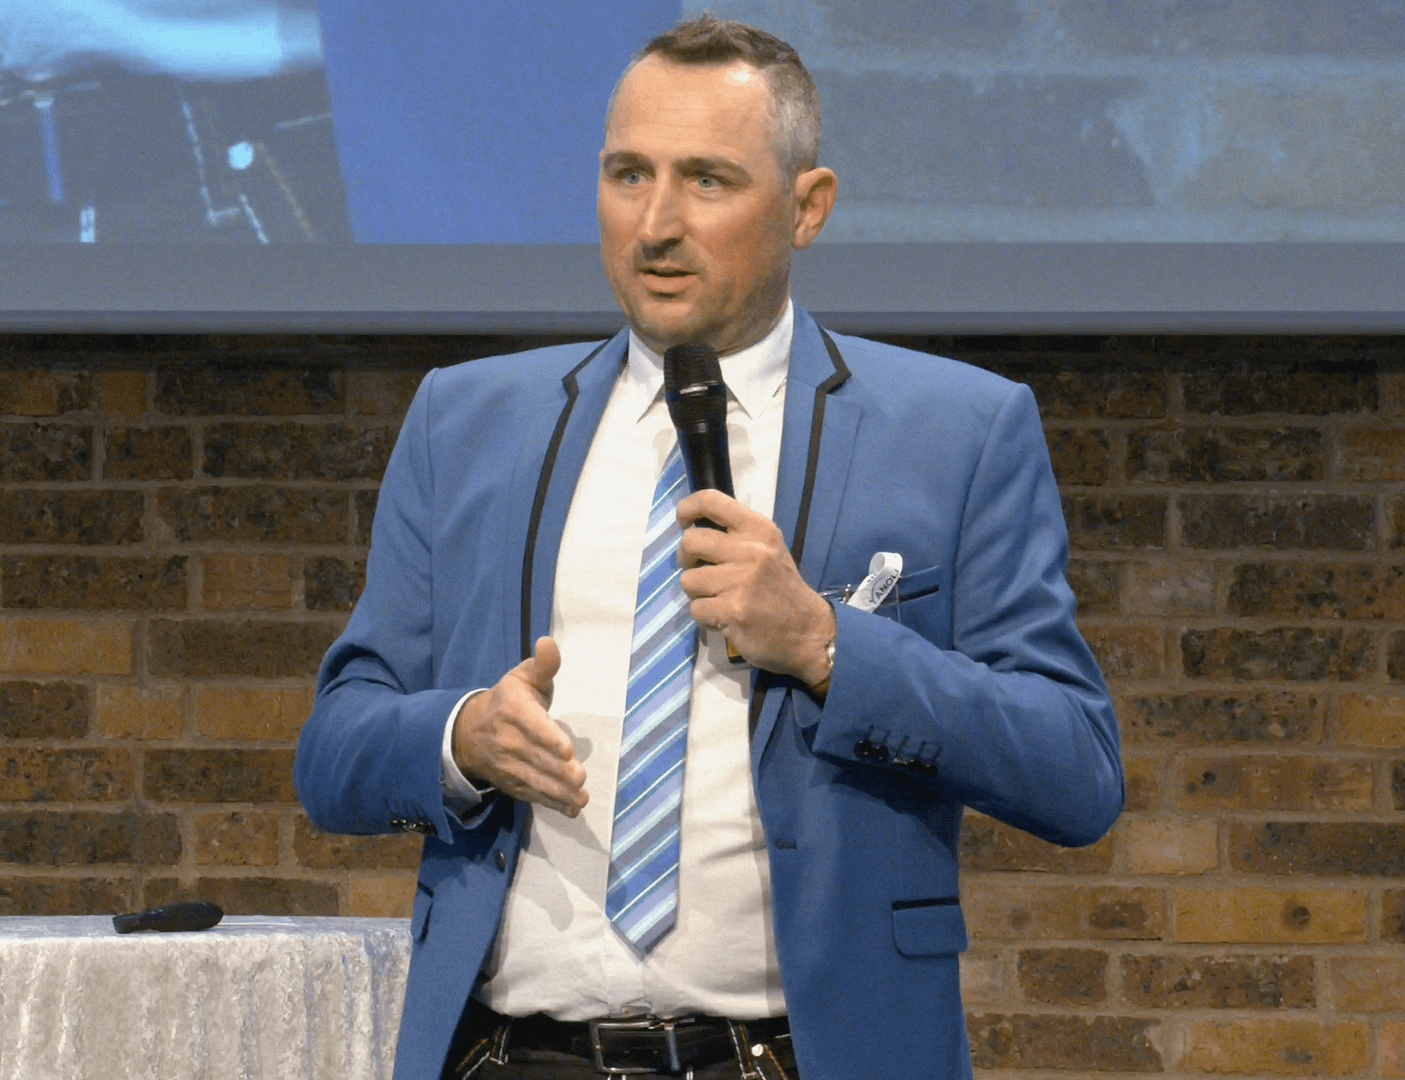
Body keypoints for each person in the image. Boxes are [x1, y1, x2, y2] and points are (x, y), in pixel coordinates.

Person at [294, 15, 1123, 1080]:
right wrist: (461, 738)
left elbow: (1074, 770)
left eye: (707, 181)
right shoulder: (464, 424)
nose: (656, 224)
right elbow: (335, 754)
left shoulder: (957, 432)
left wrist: (827, 645)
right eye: (628, 175)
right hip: (512, 1057)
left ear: (807, 207)